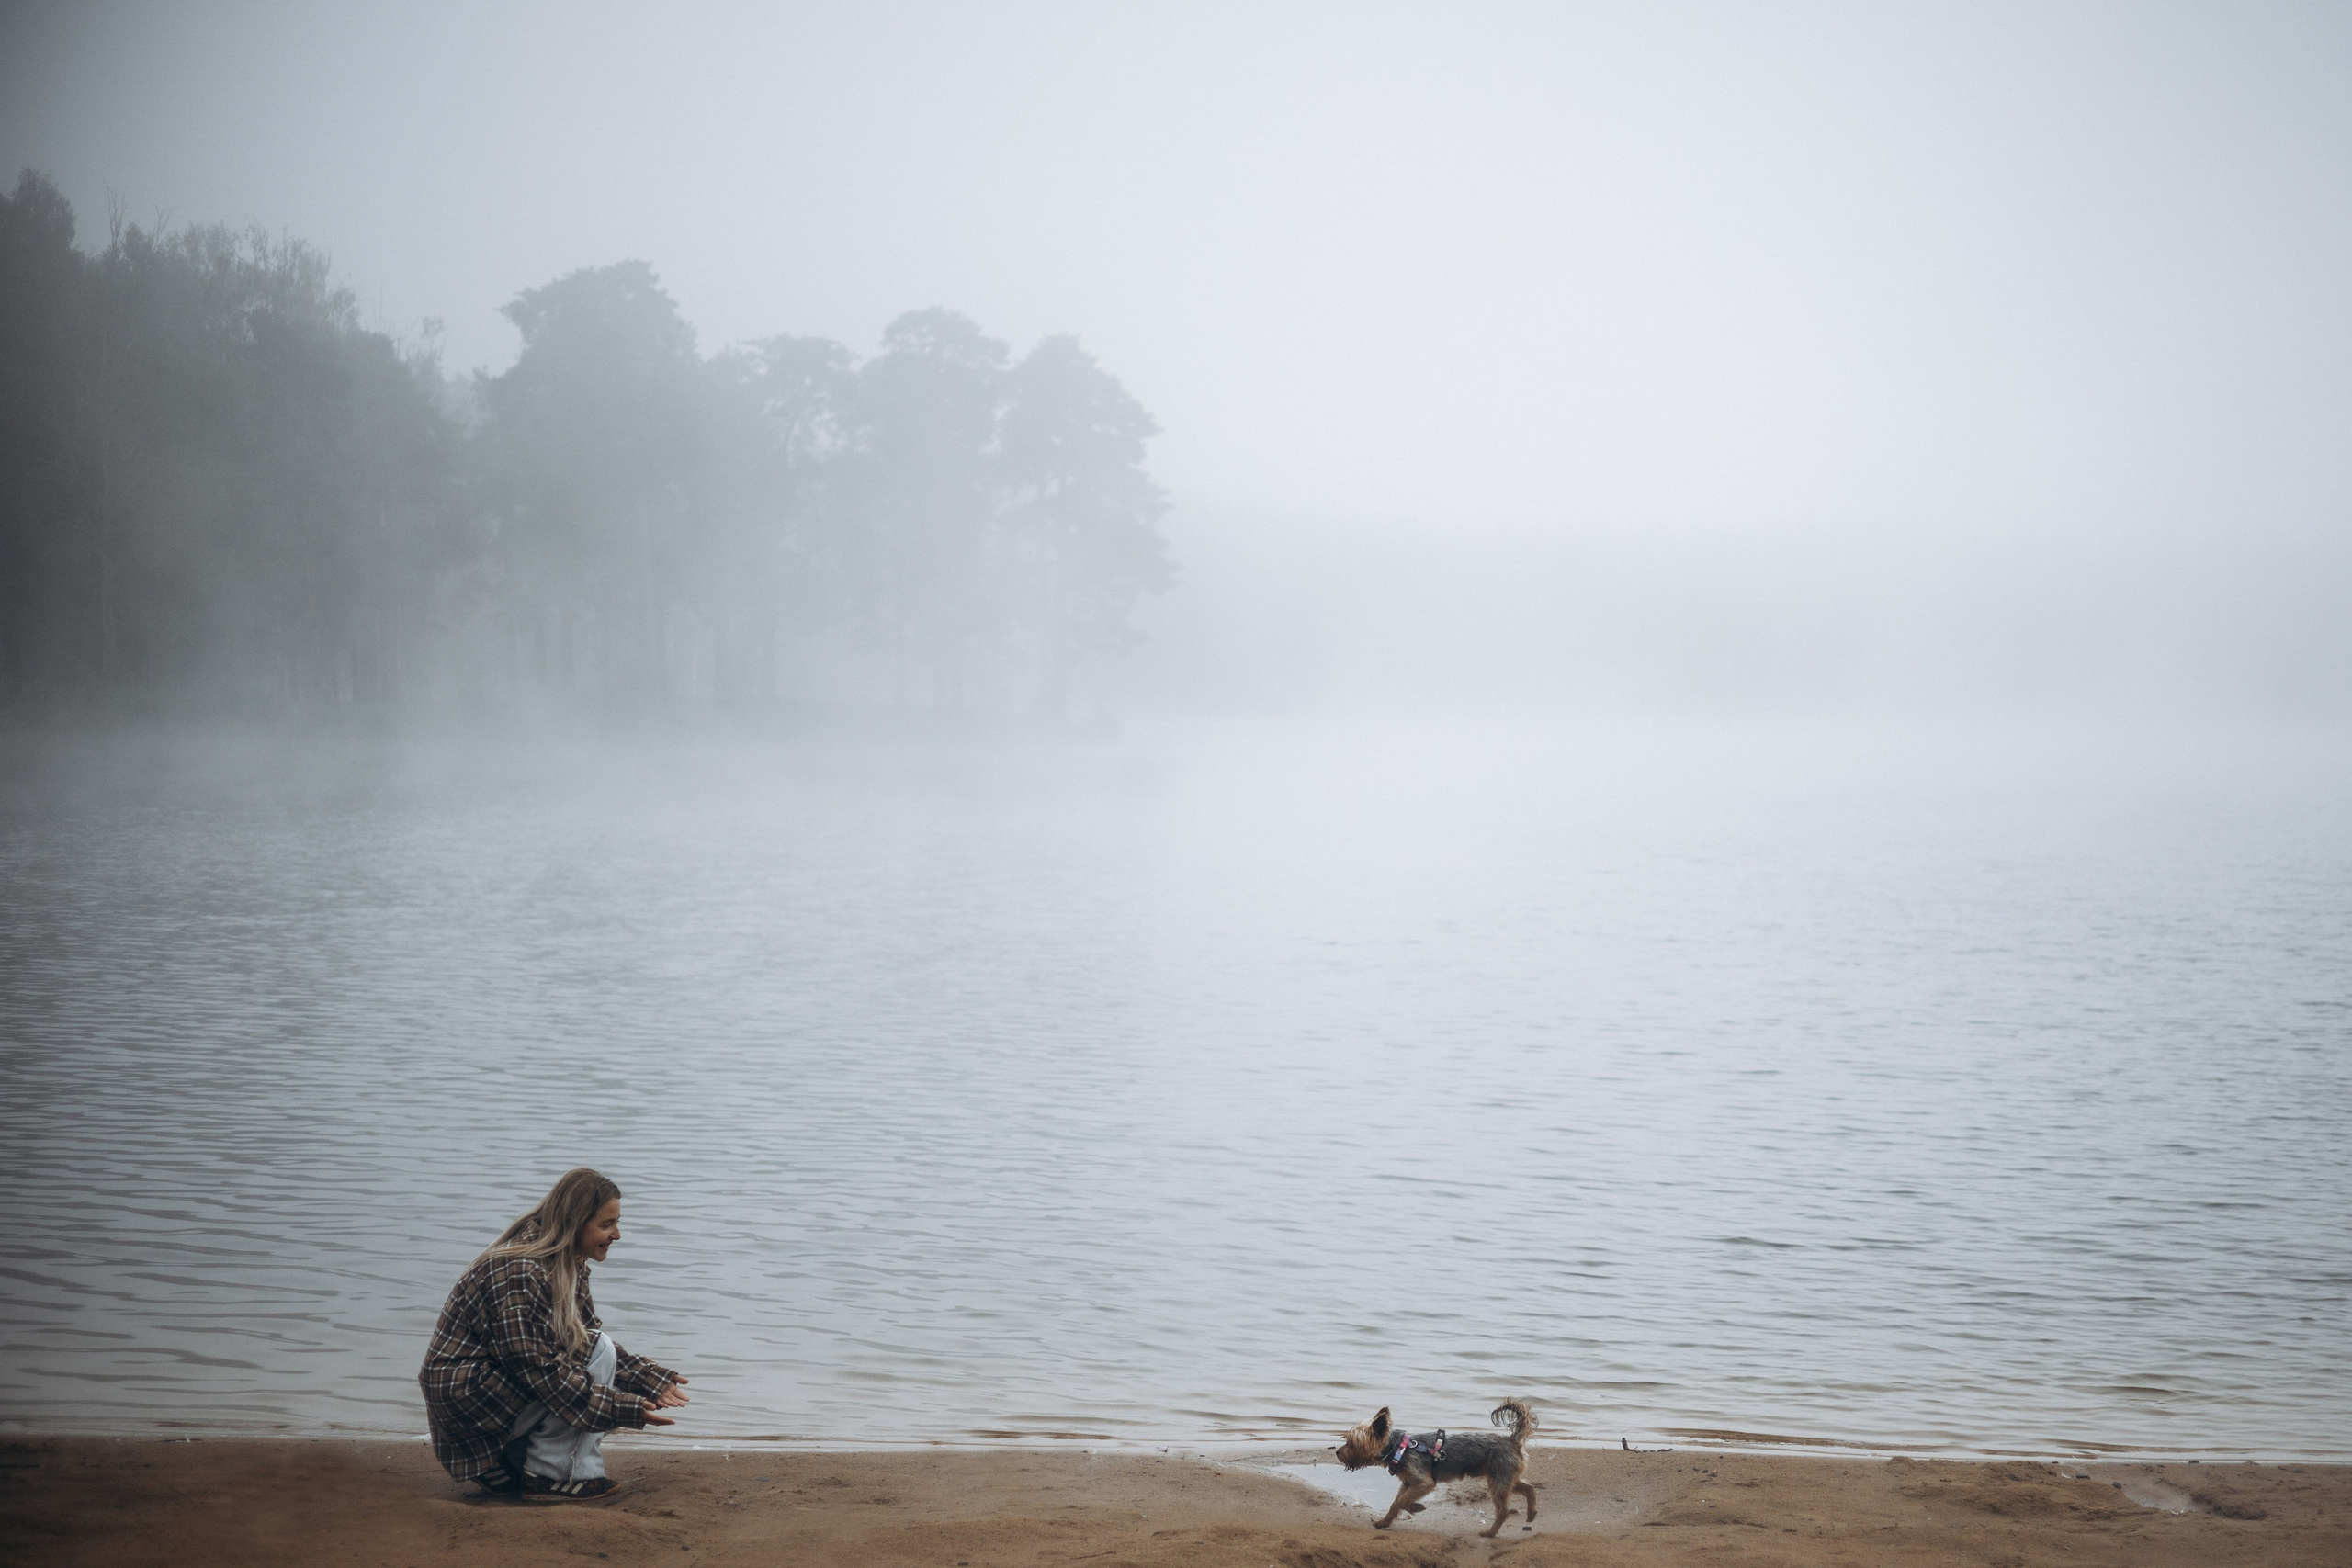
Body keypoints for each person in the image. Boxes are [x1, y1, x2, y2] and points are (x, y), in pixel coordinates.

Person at [419, 1168, 689, 1499]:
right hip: (469, 1403)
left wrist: (648, 1377)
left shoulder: (564, 1260)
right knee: (593, 1363)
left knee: (595, 1359)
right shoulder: (521, 1272)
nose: (617, 1234)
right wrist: (625, 1408)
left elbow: (579, 1338)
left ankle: (509, 1461)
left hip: (488, 1392)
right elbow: (542, 1369)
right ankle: (556, 1475)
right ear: (574, 1224)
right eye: (606, 1225)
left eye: (616, 1223)